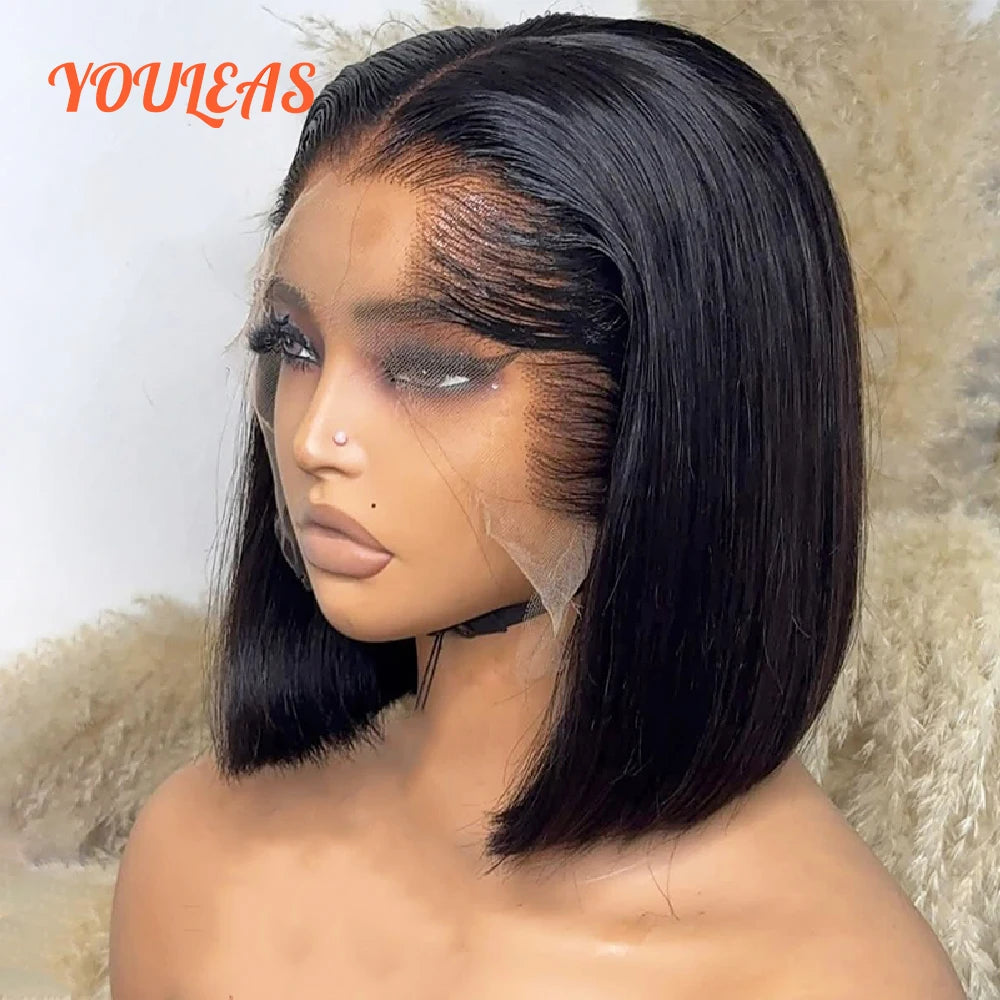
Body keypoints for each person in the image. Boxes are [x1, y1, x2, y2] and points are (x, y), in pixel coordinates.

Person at [108, 12, 966, 998]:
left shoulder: (827, 973)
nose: (312, 437)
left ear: (676, 398)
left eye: (430, 367)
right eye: (292, 345)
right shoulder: (198, 851)